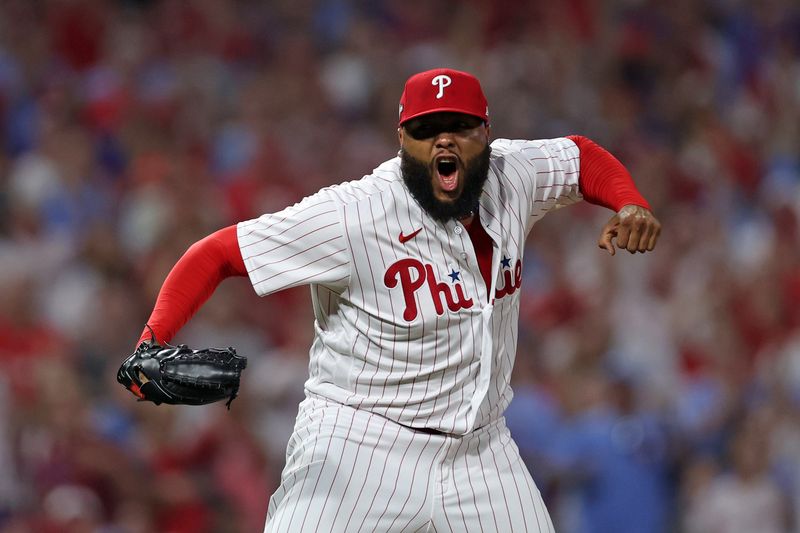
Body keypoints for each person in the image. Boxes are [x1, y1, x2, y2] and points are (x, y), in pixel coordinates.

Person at [121, 68, 661, 532]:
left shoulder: (512, 173)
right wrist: (152, 338)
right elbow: (218, 252)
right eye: (426, 131)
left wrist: (630, 202)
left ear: (486, 135)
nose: (443, 142)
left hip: (481, 449)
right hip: (360, 442)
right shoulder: (354, 215)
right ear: (402, 139)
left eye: (459, 128)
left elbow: (581, 157)